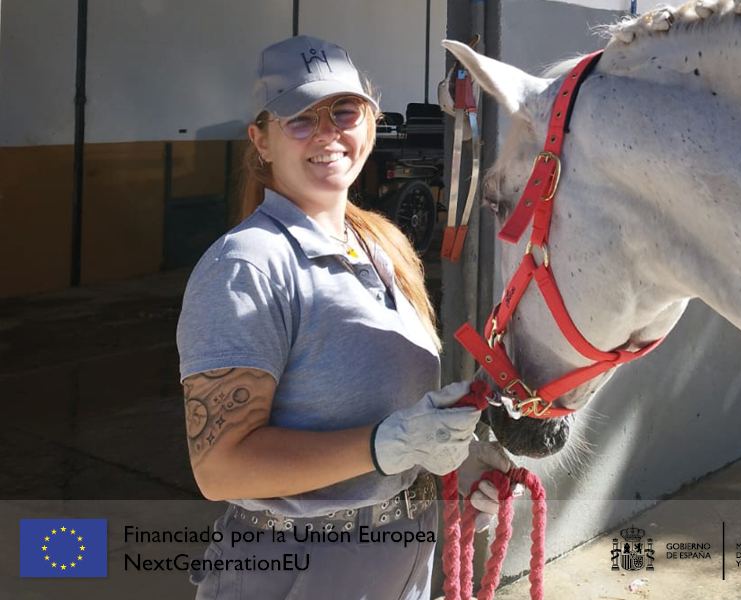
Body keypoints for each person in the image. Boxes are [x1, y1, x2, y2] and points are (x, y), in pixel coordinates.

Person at [176, 35, 510, 600]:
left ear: (371, 123)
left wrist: (448, 469)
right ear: (260, 140)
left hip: (400, 556)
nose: (328, 131)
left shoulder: (382, 247)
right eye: (299, 118)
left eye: (344, 110)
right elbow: (221, 469)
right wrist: (384, 445)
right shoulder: (247, 265)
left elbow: (392, 421)